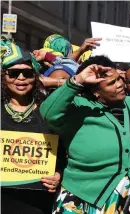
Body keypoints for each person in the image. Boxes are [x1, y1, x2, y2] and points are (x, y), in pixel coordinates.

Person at [40, 55, 130, 213]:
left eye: (119, 79)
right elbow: (48, 113)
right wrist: (77, 80)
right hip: (84, 198)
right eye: (111, 83)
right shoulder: (78, 108)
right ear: (96, 92)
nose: (119, 85)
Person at [1, 38, 63, 214]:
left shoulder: (49, 110)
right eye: (13, 73)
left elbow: (66, 153)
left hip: (37, 202)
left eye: (27, 73)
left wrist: (59, 174)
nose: (20, 78)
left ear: (36, 76)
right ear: (4, 76)